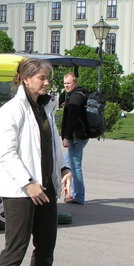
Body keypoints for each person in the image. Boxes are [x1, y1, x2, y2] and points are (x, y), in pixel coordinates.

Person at [0, 58, 72, 266]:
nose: (46, 83)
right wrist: (27, 183)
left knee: (46, 246)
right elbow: (5, 154)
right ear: (25, 78)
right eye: (41, 78)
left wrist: (64, 168)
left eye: (48, 78)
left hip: (45, 187)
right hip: (18, 190)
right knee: (16, 248)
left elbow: (52, 146)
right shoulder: (10, 111)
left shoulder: (46, 108)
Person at [61, 72, 89, 204]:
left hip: (76, 137)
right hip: (78, 135)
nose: (66, 86)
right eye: (65, 83)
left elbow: (71, 119)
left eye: (69, 83)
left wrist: (66, 137)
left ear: (75, 83)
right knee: (67, 164)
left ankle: (78, 196)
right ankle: (72, 193)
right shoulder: (74, 95)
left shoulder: (76, 98)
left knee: (74, 166)